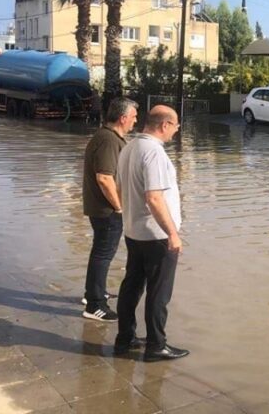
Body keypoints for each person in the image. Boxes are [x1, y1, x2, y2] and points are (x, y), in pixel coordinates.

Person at [115, 105, 188, 361]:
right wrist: (172, 233)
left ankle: (125, 338)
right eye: (175, 126)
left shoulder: (129, 147)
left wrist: (130, 217)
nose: (176, 131)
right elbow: (154, 198)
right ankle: (156, 345)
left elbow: (120, 189)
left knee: (131, 286)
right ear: (165, 125)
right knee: (159, 292)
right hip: (156, 236)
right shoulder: (154, 152)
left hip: (133, 231)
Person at [81, 97, 139, 322]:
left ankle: (96, 292)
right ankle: (95, 304)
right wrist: (119, 207)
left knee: (101, 252)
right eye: (133, 116)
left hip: (103, 208)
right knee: (103, 254)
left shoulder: (108, 137)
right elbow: (104, 178)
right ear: (123, 118)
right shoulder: (108, 140)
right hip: (106, 210)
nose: (135, 121)